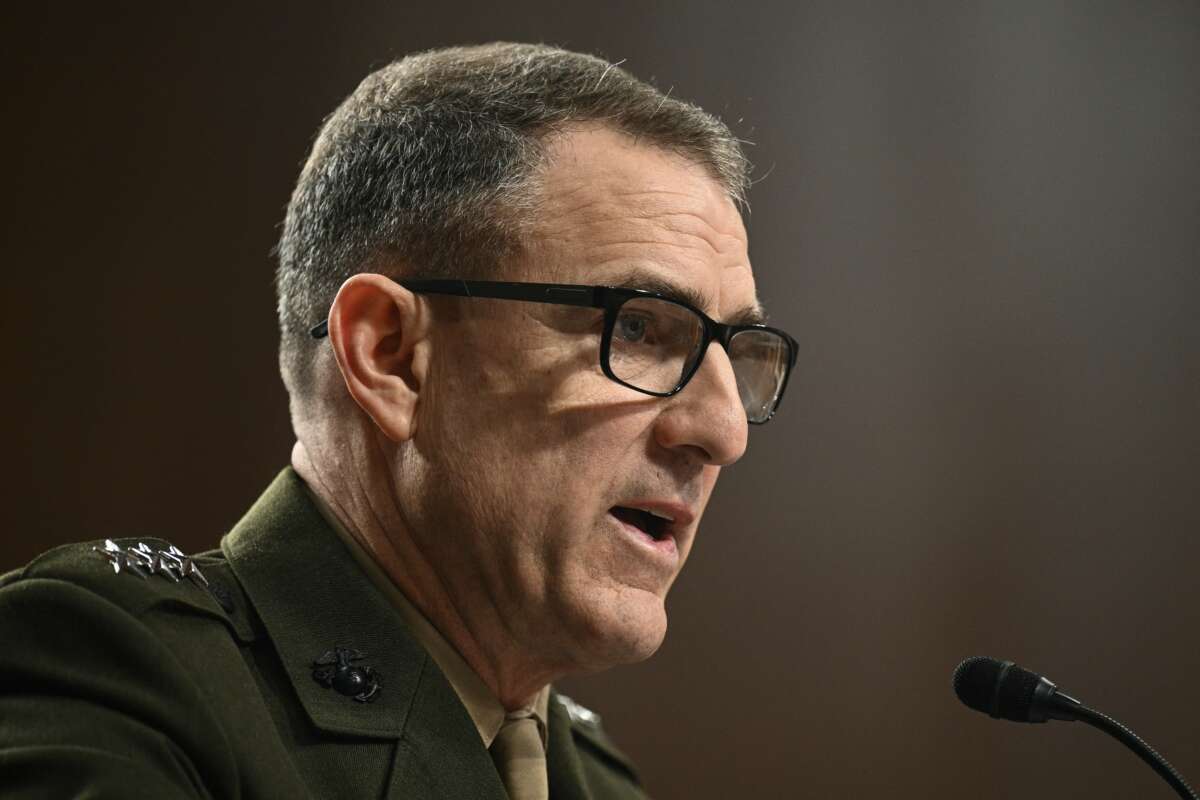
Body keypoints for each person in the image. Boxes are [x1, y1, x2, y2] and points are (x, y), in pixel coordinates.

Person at [0, 42, 796, 799]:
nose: (723, 430)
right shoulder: (113, 682)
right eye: (637, 328)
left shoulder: (596, 780)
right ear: (388, 355)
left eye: (740, 351)